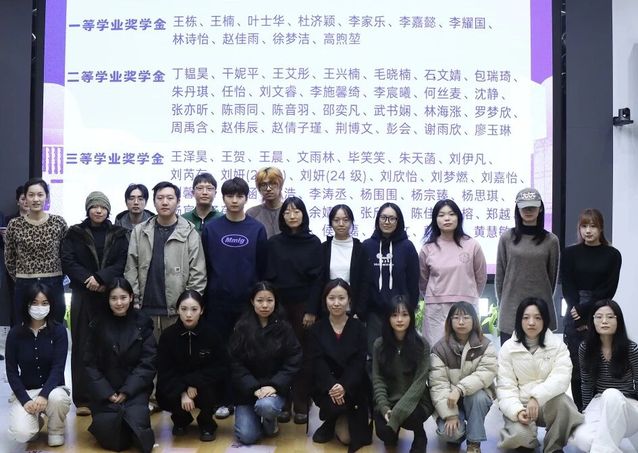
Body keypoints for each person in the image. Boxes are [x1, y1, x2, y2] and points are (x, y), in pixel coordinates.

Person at [61, 191, 129, 417]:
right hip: (82, 295)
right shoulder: (74, 233)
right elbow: (68, 260)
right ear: (87, 209)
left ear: (108, 210)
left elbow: (122, 261)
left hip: (110, 294)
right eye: (94, 206)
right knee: (82, 345)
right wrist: (88, 280)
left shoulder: (119, 233)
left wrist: (101, 279)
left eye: (102, 207)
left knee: (110, 344)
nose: (98, 210)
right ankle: (83, 399)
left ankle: (109, 394)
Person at [497, 297, 583, 452]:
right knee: (520, 438)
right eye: (526, 318)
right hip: (520, 405)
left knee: (564, 403)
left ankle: (553, 447)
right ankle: (526, 439)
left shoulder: (558, 346)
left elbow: (561, 378)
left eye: (537, 318)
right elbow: (505, 387)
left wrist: (536, 397)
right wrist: (517, 410)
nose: (531, 322)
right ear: (519, 320)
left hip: (547, 403)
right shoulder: (508, 348)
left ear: (545, 320)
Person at [265, 196, 323, 424]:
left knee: (303, 354)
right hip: (279, 307)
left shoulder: (314, 243)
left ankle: (301, 401)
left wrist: (311, 310)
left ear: (304, 215)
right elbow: (268, 277)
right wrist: (271, 308)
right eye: (287, 212)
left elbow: (318, 280)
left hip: (304, 307)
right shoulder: (274, 243)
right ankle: (283, 401)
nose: (292, 215)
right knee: (279, 353)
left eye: (296, 211)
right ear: (282, 216)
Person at [124, 181, 206, 338]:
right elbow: (131, 268)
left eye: (170, 198)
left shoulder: (190, 232)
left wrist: (188, 306)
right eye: (160, 198)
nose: (165, 202)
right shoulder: (140, 231)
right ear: (154, 201)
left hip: (177, 313)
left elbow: (198, 273)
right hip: (144, 310)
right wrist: (134, 301)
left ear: (178, 201)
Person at [84, 278, 156, 453]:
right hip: (105, 391)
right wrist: (107, 393)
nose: (119, 303)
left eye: (123, 297)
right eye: (114, 298)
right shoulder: (97, 323)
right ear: (107, 299)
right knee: (113, 437)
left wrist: (126, 391)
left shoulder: (143, 322)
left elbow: (148, 362)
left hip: (134, 389)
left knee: (138, 432)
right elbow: (89, 364)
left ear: (131, 297)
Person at [560, 208, 622, 410]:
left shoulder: (612, 255)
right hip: (574, 311)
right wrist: (577, 313)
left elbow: (609, 289)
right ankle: (582, 411)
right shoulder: (569, 253)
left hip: (601, 311)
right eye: (584, 226)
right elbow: (568, 286)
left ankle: (601, 411)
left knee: (600, 362)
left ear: (601, 228)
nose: (588, 231)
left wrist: (587, 311)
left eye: (593, 226)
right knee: (577, 366)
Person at [228, 282, 302, 445]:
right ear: (252, 301)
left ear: (275, 302)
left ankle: (270, 421)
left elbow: (294, 359)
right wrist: (254, 388)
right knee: (247, 437)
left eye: (269, 300)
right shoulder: (241, 327)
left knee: (266, 406)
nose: (265, 305)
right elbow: (235, 363)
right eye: (260, 300)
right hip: (247, 391)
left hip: (273, 390)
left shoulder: (284, 327)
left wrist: (274, 385)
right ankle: (254, 417)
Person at [308, 279, 372, 451]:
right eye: (331, 298)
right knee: (333, 407)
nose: (336, 303)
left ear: (349, 300)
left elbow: (358, 363)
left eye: (341, 298)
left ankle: (339, 419)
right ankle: (332, 419)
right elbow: (317, 362)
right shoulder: (316, 329)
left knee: (347, 439)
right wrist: (332, 385)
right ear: (325, 300)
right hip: (326, 387)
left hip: (352, 387)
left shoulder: (359, 328)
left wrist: (343, 386)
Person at [5, 282, 71, 446]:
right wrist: (25, 399)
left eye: (44, 303)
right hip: (27, 391)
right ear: (26, 304)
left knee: (57, 399)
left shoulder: (59, 331)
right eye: (34, 303)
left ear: (51, 305)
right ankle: (36, 422)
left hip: (53, 390)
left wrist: (44, 394)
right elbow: (12, 372)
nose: (39, 307)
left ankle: (56, 429)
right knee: (22, 434)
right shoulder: (15, 334)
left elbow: (58, 368)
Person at [156, 290, 226, 442]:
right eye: (184, 309)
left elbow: (219, 367)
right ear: (177, 310)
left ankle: (207, 423)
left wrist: (193, 383)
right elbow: (165, 370)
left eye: (194, 309)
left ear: (201, 310)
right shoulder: (168, 336)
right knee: (165, 389)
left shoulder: (212, 334)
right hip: (177, 385)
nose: (188, 314)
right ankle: (180, 420)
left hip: (203, 385)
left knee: (214, 388)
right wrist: (183, 391)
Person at [495, 187, 559, 345]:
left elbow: (551, 278)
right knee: (510, 356)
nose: (528, 211)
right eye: (524, 207)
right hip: (511, 309)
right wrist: (503, 303)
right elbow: (500, 276)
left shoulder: (551, 240)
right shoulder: (507, 238)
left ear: (540, 208)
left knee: (543, 357)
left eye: (532, 207)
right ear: (517, 209)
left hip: (541, 309)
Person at [429, 301, 496, 453]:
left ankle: (474, 443)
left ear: (474, 320)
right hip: (449, 401)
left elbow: (486, 372)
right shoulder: (439, 349)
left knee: (477, 397)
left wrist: (460, 389)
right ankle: (462, 430)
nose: (461, 322)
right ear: (449, 321)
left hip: (474, 398)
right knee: (451, 435)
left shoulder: (485, 345)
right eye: (456, 318)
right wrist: (450, 416)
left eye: (466, 317)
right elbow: (438, 385)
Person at [572, 300, 638, 452]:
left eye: (610, 316)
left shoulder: (631, 349)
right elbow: (586, 383)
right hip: (599, 403)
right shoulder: (585, 348)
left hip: (627, 405)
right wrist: (585, 411)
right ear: (592, 321)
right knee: (583, 439)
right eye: (599, 316)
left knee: (611, 394)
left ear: (618, 321)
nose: (604, 321)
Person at [419, 199, 487, 346]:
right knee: (436, 350)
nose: (447, 218)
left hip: (466, 306)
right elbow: (423, 280)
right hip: (436, 309)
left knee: (467, 349)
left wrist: (468, 295)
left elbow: (480, 277)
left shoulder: (472, 245)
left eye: (451, 214)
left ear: (459, 217)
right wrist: (436, 296)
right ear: (435, 219)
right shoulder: (427, 248)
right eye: (441, 215)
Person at [372, 296, 433, 453]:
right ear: (388, 318)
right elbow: (378, 380)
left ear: (411, 317)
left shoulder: (422, 345)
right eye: (394, 315)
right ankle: (394, 430)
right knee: (385, 434)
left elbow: (419, 383)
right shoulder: (379, 344)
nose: (399, 319)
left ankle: (420, 435)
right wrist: (384, 407)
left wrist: (396, 415)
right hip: (390, 401)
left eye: (404, 314)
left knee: (411, 418)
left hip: (417, 402)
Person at [4, 178, 67, 325]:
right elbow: (9, 257)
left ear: (47, 197)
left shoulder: (58, 222)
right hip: (24, 282)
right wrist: (22, 276)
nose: (36, 199)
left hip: (53, 281)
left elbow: (66, 254)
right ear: (25, 198)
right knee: (23, 326)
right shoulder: (15, 224)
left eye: (40, 194)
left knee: (54, 324)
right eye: (31, 195)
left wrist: (58, 275)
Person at [362, 202, 419, 353]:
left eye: (392, 218)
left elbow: (413, 282)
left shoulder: (407, 247)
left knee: (401, 355)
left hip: (400, 313)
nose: (387, 222)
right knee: (375, 355)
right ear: (378, 220)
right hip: (374, 314)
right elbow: (363, 281)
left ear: (398, 221)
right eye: (383, 217)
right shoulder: (367, 246)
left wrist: (410, 309)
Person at [322, 204, 371, 320]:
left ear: (351, 222)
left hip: (353, 311)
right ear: (330, 223)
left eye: (345, 220)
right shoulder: (323, 248)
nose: (341, 224)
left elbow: (365, 282)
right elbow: (319, 281)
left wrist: (359, 311)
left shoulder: (360, 249)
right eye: (336, 220)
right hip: (328, 309)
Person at [246, 166, 285, 238]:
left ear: (280, 185)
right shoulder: (252, 213)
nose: (268, 189)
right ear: (259, 188)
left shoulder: (289, 212)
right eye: (263, 185)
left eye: (273, 184)